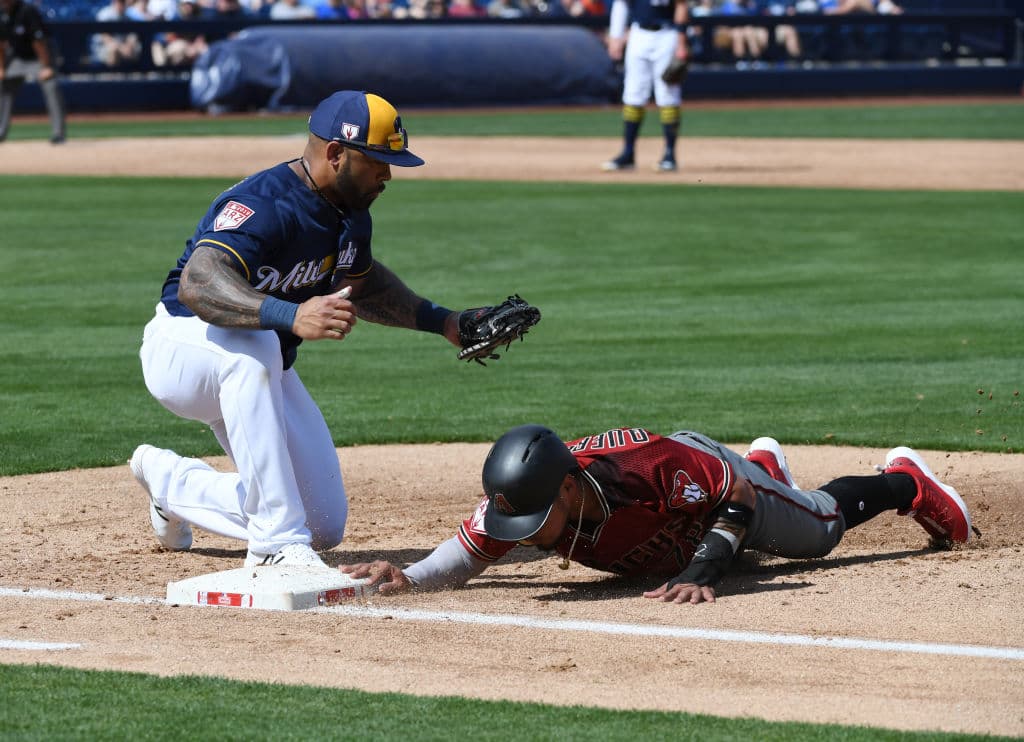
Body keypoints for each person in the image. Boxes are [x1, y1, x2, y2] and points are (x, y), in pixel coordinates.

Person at [130, 90, 489, 569]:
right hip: (184, 349)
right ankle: (275, 544)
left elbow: (361, 284)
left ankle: (171, 483)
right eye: (377, 161)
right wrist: (291, 315)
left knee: (321, 525)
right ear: (336, 154)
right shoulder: (264, 203)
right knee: (258, 344)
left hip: (257, 367)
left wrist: (444, 322)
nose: (387, 174)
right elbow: (199, 282)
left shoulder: (352, 213)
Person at [342, 423, 973, 604]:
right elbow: (468, 553)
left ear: (567, 488)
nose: (526, 536)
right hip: (698, 505)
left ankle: (904, 483)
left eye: (534, 521)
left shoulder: (651, 465)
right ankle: (769, 465)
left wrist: (706, 567)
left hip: (713, 484)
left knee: (818, 533)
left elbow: (736, 501)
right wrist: (414, 576)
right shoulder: (526, 495)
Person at [601, 0, 689, 172]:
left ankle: (669, 155)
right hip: (639, 33)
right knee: (633, 94)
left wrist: (681, 41)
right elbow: (621, 4)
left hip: (666, 33)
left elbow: (681, 5)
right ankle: (628, 153)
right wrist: (615, 36)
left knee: (668, 94)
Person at [0, 0, 66, 144]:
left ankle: (58, 133)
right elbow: (1, 43)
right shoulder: (2, 12)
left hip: (39, 57)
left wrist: (47, 67)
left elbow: (39, 41)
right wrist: (2, 68)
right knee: (4, 85)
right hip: (18, 58)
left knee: (51, 85)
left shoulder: (27, 11)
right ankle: (1, 131)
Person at [91, 0, 143, 68]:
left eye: (123, 2)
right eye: (119, 2)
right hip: (102, 47)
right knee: (113, 50)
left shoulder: (129, 15)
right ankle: (113, 77)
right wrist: (121, 48)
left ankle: (137, 76)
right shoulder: (105, 14)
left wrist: (129, 45)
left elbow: (132, 35)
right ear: (114, 2)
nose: (121, 4)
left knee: (137, 48)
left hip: (124, 47)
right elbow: (106, 38)